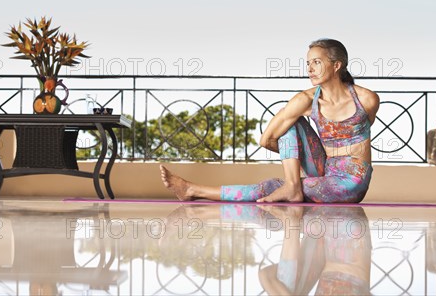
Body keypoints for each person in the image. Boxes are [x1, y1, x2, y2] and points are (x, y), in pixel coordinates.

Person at [160, 38, 380, 203]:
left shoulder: (366, 99)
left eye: (316, 62)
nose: (310, 69)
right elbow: (267, 139)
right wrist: (295, 154)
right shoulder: (304, 100)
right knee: (290, 123)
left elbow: (359, 139)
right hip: (323, 168)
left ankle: (193, 190)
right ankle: (292, 186)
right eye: (308, 63)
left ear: (336, 65)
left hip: (353, 180)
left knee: (274, 186)